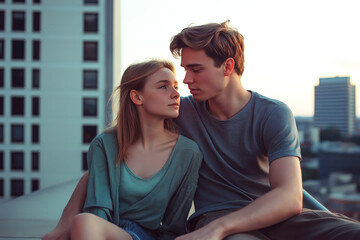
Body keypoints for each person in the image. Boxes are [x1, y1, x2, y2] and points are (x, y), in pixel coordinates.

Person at [44, 21, 360, 240]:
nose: (187, 81)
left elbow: (290, 196)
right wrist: (64, 224)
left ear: (228, 66)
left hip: (275, 214)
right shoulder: (182, 110)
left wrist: (218, 230)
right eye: (185, 70)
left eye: (196, 70)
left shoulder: (273, 113)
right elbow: (113, 159)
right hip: (217, 218)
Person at [44, 60, 203, 240]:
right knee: (84, 222)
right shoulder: (104, 145)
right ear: (137, 97)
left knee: (84, 222)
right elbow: (98, 210)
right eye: (163, 87)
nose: (176, 94)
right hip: (104, 231)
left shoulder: (188, 153)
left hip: (146, 236)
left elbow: (174, 225)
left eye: (175, 86)